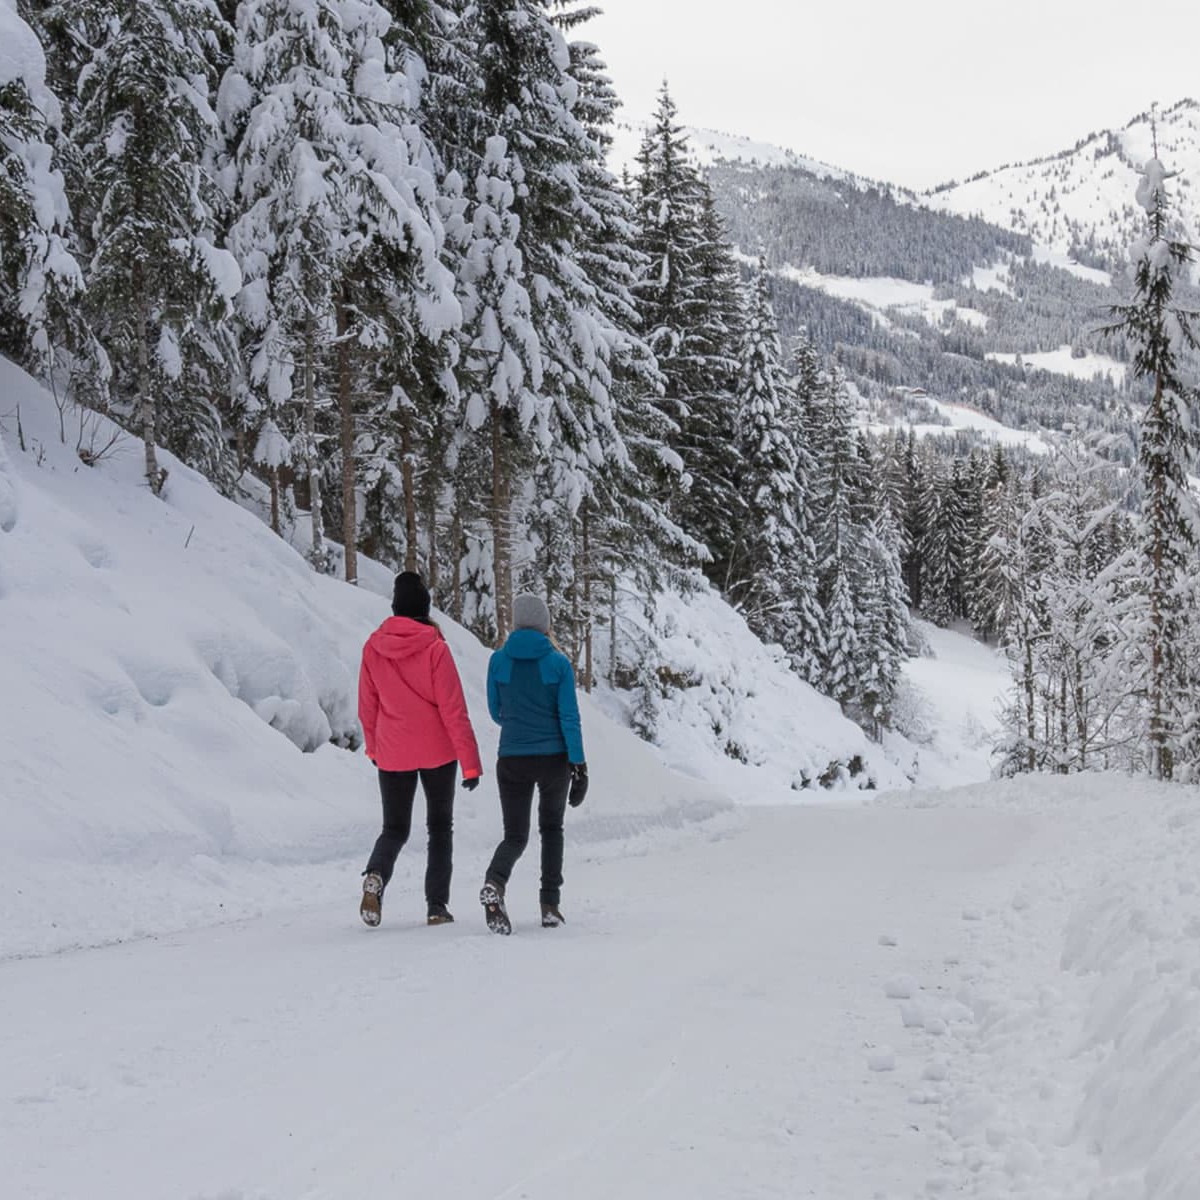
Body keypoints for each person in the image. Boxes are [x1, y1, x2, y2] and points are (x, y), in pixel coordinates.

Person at [358, 572, 482, 928]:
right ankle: (436, 907)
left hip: (393, 751)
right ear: (425, 609)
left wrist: (373, 747)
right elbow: (453, 709)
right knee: (439, 828)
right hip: (437, 752)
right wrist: (470, 764)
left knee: (394, 828)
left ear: (395, 608)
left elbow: (368, 706)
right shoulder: (435, 648)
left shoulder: (373, 647)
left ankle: (376, 876)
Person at [479, 593, 588, 934]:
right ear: (544, 624)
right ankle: (550, 905)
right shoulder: (557, 663)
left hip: (511, 757)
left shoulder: (498, 661)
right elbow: (569, 717)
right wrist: (579, 765)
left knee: (515, 835)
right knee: (551, 830)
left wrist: (519, 726)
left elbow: (496, 712)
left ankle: (495, 883)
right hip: (552, 759)